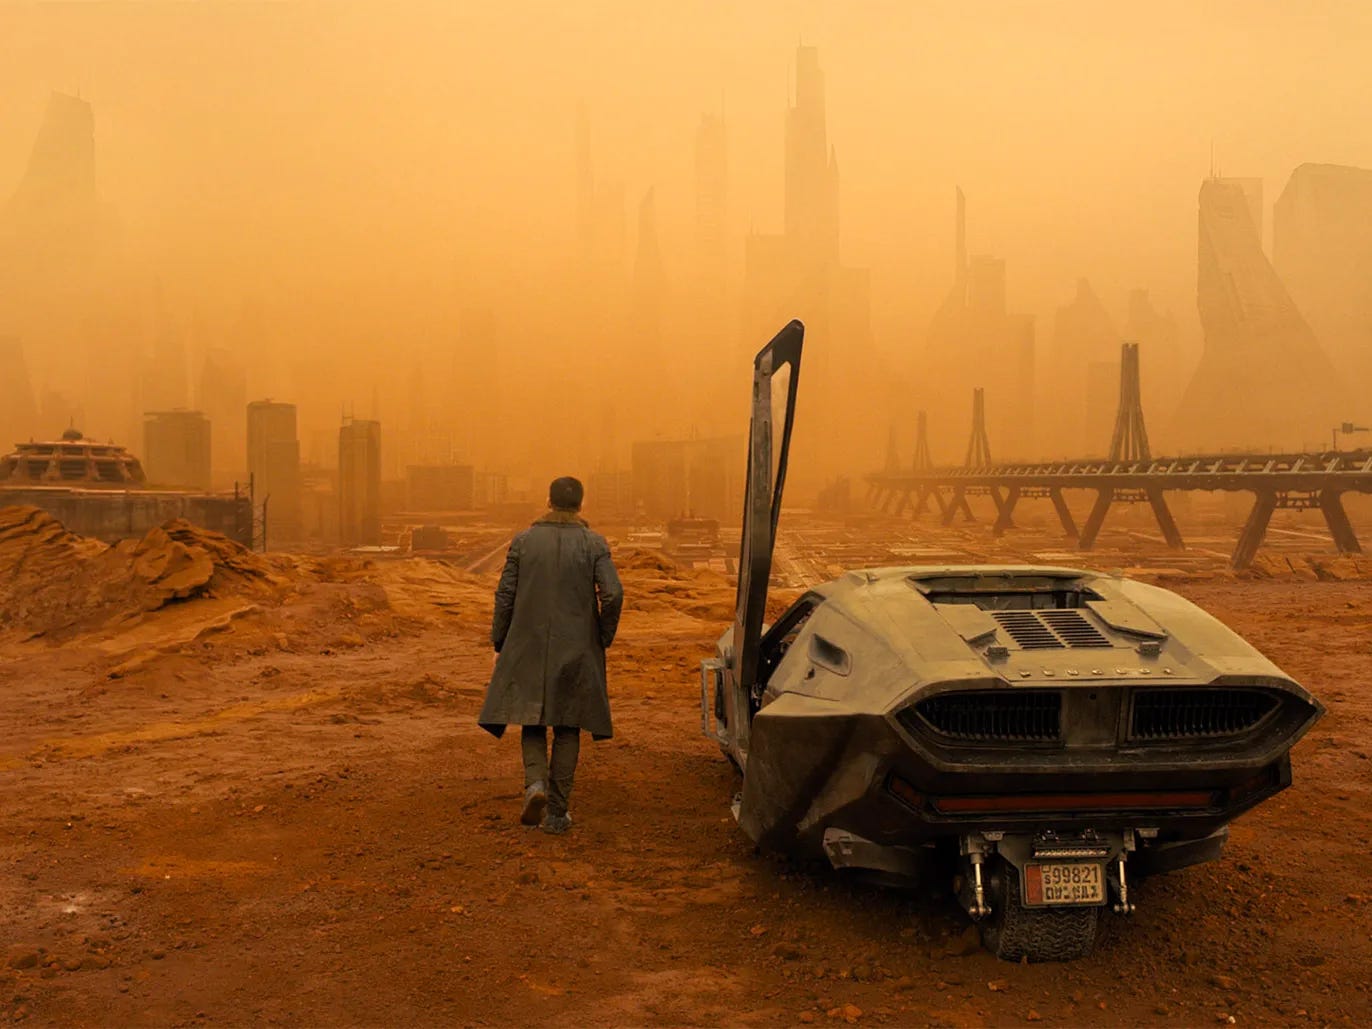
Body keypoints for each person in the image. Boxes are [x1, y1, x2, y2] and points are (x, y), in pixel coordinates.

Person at [478, 476, 623, 834]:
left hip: (528, 644)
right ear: (581, 504)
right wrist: (601, 636)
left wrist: (500, 642)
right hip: (577, 647)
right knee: (568, 725)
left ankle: (535, 785)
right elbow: (613, 594)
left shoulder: (523, 541)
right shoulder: (593, 543)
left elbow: (505, 596)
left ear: (548, 501)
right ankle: (557, 814)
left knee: (532, 720)